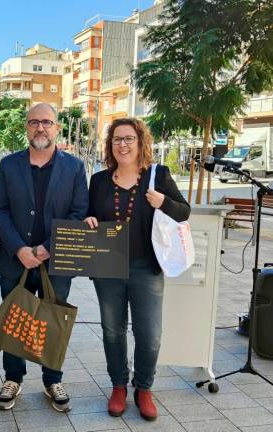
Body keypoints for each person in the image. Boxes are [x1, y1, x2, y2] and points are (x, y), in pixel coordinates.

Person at [84, 117, 190, 421]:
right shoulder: (100, 180)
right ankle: (118, 385)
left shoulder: (158, 176)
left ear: (140, 142)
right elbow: (91, 215)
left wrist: (162, 202)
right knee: (112, 331)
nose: (123, 144)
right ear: (110, 145)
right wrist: (89, 221)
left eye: (129, 138)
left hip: (147, 267)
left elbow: (184, 212)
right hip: (107, 267)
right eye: (117, 139)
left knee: (150, 334)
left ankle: (143, 388)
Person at [0, 103, 89, 412]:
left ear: (57, 127)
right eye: (34, 122)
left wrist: (47, 247)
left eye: (46, 122)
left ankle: (52, 379)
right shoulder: (9, 165)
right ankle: (13, 378)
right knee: (14, 319)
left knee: (53, 321)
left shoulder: (74, 167)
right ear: (26, 127)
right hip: (14, 260)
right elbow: (1, 210)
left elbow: (78, 212)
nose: (40, 127)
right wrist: (19, 249)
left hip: (57, 262)